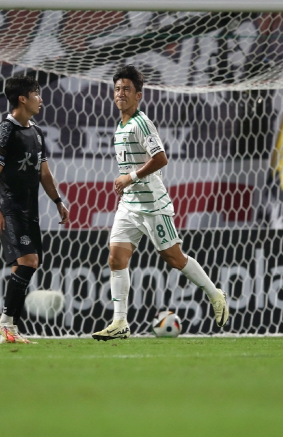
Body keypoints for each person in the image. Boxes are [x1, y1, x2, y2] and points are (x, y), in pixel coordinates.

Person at [92, 65, 229, 341]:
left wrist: (129, 177)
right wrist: (127, 184)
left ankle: (215, 295)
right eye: (117, 89)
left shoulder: (142, 123)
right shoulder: (120, 126)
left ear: (138, 95)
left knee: (173, 257)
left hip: (153, 204)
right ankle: (120, 322)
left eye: (126, 89)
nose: (120, 93)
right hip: (129, 205)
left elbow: (161, 158)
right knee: (116, 258)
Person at [0, 75, 70, 344]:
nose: (41, 99)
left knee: (21, 268)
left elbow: (44, 173)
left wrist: (58, 201)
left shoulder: (36, 131)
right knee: (29, 262)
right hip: (10, 208)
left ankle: (8, 330)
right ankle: (5, 322)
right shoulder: (5, 130)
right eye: (36, 94)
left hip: (30, 210)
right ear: (22, 98)